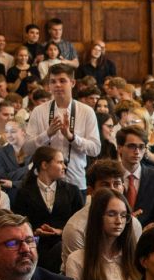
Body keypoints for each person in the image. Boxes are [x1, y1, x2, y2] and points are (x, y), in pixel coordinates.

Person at [64, 190, 139, 280]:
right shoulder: (77, 260)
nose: (119, 221)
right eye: (111, 214)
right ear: (98, 217)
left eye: (123, 216)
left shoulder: (134, 256)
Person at [22, 63, 101, 192]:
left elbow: (95, 149)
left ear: (73, 83)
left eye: (62, 81)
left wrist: (72, 137)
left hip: (75, 181)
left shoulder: (86, 111)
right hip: (45, 182)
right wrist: (47, 134)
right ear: (49, 85)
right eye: (53, 81)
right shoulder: (39, 111)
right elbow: (27, 149)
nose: (57, 85)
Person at [12, 145, 85, 271]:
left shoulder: (73, 191)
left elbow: (81, 223)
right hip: (35, 245)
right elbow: (18, 223)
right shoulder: (24, 193)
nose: (64, 167)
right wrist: (35, 232)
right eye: (60, 162)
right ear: (44, 165)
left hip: (65, 245)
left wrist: (60, 231)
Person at [115, 125, 154, 226]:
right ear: (119, 148)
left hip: (147, 233)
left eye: (141, 147)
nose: (137, 152)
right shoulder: (110, 175)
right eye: (131, 146)